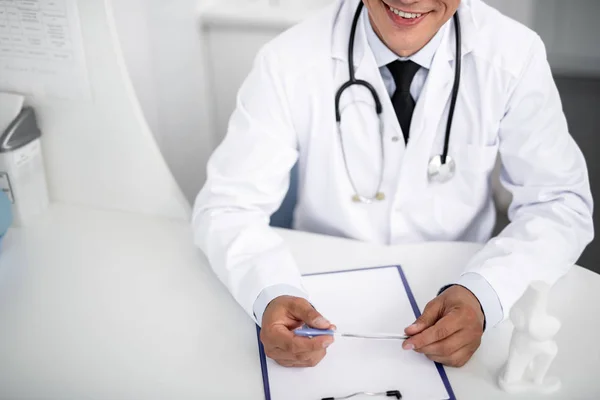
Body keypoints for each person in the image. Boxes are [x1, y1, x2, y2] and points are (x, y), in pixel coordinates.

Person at [193, 0, 594, 369]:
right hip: (321, 302)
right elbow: (228, 206)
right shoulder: (287, 59)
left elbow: (560, 203)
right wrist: (269, 292)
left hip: (456, 292)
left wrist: (486, 294)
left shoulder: (513, 56)